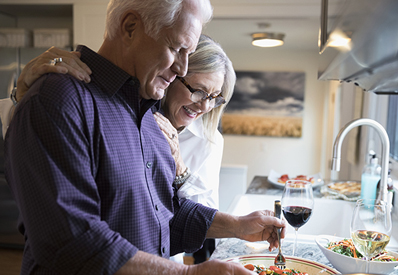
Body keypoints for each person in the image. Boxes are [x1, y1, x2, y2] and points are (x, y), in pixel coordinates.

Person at [4, 0, 285, 274]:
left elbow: (161, 215)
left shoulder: (147, 116)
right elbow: (71, 240)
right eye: (176, 48)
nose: (182, 69)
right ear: (129, 27)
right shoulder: (58, 100)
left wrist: (237, 225)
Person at [4, 33, 234, 265]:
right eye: (199, 91)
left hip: (162, 263)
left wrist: (181, 171)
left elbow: (200, 218)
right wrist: (21, 95)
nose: (205, 106)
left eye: (214, 98)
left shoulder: (208, 140)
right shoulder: (111, 106)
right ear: (171, 76)